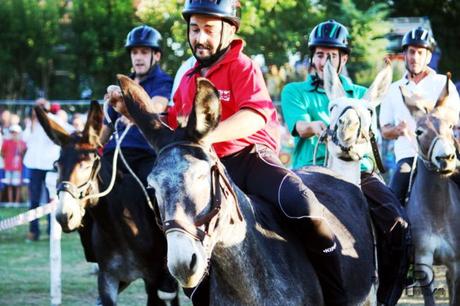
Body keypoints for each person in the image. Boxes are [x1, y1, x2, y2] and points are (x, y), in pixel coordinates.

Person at [164, 2, 347, 305]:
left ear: (229, 29)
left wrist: (206, 136)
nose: (200, 38)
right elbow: (175, 127)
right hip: (209, 170)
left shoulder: (242, 65)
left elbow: (255, 115)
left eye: (209, 29)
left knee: (303, 206)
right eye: (194, 29)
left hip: (249, 159)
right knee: (178, 230)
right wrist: (133, 110)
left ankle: (336, 296)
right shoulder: (186, 79)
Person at [280, 20, 410, 306]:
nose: (324, 60)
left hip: (358, 172)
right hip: (309, 172)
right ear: (312, 56)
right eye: (319, 54)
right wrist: (320, 127)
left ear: (344, 58)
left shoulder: (362, 95)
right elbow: (300, 126)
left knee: (397, 223)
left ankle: (387, 293)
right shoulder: (294, 91)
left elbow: (370, 134)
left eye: (331, 54)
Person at [99, 24, 177, 298]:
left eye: (145, 52)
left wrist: (128, 104)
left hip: (146, 155)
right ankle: (102, 257)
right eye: (135, 52)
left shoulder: (164, 82)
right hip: (114, 156)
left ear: (156, 56)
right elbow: (102, 133)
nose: (138, 57)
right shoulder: (119, 86)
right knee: (83, 197)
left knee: (159, 198)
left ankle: (167, 265)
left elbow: (154, 107)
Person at [380, 26, 460, 206]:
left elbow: (456, 119)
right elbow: (384, 131)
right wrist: (397, 130)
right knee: (392, 203)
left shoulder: (443, 83)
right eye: (411, 52)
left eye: (420, 53)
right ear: (405, 55)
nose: (415, 57)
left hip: (443, 152)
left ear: (428, 57)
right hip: (408, 156)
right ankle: (396, 233)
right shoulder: (393, 89)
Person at [23, 98, 73, 241]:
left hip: (50, 165)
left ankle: (53, 230)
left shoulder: (54, 120)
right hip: (34, 165)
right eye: (36, 106)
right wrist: (32, 124)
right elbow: (26, 140)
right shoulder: (31, 122)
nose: (38, 109)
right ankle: (34, 231)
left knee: (52, 200)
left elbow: (68, 132)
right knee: (34, 200)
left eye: (41, 106)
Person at [1, 124, 26, 204]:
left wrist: (19, 146)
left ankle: (17, 202)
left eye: (15, 133)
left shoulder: (22, 143)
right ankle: (10, 202)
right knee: (9, 185)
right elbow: (2, 152)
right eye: (12, 132)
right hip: (8, 167)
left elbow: (23, 153)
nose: (14, 134)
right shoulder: (6, 142)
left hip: (18, 168)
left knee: (17, 185)